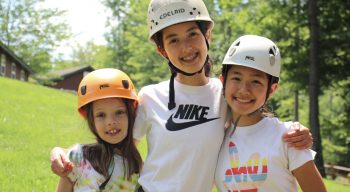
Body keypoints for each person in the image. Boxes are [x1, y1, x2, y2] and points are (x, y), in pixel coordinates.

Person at [51, 1, 313, 191]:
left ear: (207, 35)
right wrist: (61, 153)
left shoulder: (225, 95)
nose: (186, 48)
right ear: (162, 50)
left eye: (192, 35)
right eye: (173, 40)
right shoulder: (150, 97)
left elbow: (255, 117)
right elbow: (113, 139)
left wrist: (297, 132)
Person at [215, 35, 326, 192]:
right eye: (236, 78)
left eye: (256, 81)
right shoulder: (215, 138)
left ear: (272, 89)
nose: (244, 90)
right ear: (222, 81)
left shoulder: (289, 138)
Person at [54, 68, 142, 192]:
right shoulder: (77, 158)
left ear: (131, 115)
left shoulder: (137, 167)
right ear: (91, 120)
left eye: (119, 112)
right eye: (101, 115)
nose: (111, 121)